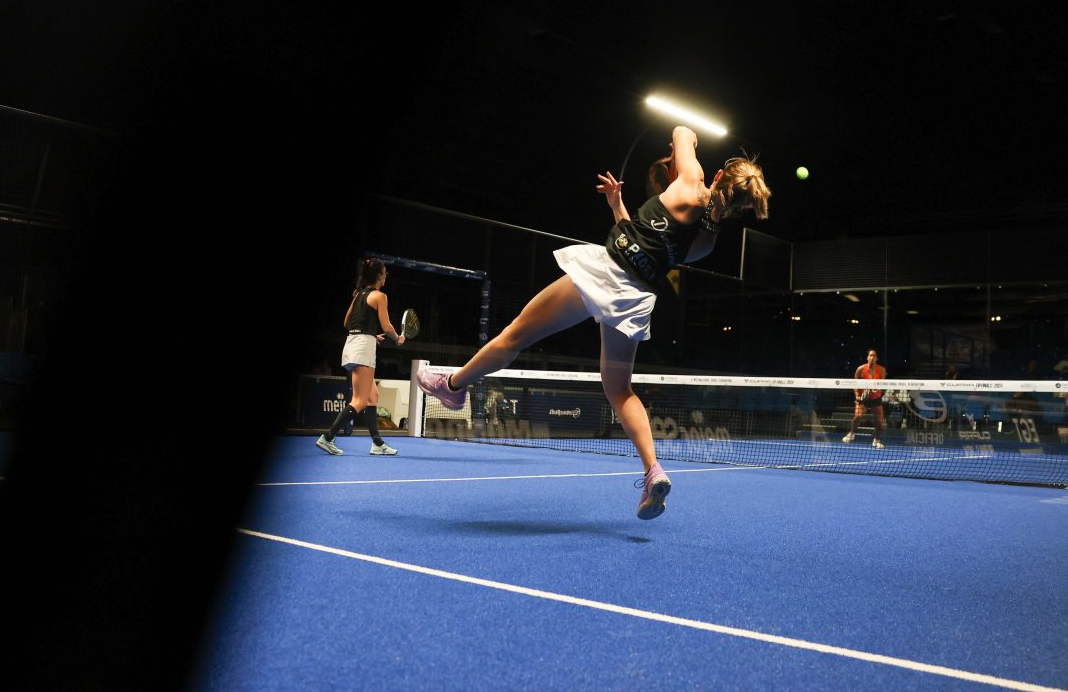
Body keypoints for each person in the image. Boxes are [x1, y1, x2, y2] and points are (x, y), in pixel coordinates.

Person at [414, 125, 771, 519]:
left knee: (514, 334)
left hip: (604, 275)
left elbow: (683, 130)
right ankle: (653, 469)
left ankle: (453, 386)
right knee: (619, 390)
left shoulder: (691, 179)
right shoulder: (706, 243)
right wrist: (617, 205)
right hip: (633, 299)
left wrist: (677, 151)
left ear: (717, 175)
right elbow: (643, 245)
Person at [317, 259, 405, 456]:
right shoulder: (380, 296)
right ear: (380, 276)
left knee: (372, 396)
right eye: (385, 272)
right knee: (360, 400)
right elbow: (386, 326)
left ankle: (377, 443)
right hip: (363, 349)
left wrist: (370, 334)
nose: (386, 275)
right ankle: (328, 437)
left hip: (352, 344)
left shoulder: (358, 295)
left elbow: (347, 322)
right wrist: (398, 338)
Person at [844, 349, 887, 449]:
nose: (872, 357)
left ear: (876, 358)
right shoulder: (860, 369)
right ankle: (851, 434)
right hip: (863, 398)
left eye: (874, 356)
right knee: (858, 416)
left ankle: (876, 440)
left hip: (876, 398)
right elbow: (854, 384)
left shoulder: (881, 370)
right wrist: (857, 396)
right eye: (870, 355)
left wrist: (878, 390)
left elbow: (883, 385)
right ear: (867, 357)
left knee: (879, 422)